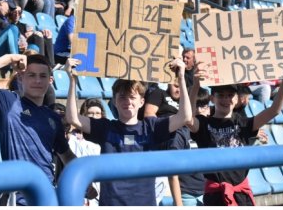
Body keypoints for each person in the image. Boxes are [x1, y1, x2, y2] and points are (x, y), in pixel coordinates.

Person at [65, 56, 192, 206]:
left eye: (132, 97)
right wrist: (72, 81)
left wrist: (182, 78)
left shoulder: (151, 127)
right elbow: (73, 118)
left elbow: (185, 116)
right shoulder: (106, 128)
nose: (128, 102)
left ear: (142, 102)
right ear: (114, 101)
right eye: (122, 97)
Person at [0, 53, 75, 204]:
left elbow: (66, 155)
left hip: (47, 195)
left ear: (50, 80)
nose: (37, 80)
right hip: (16, 197)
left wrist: (84, 180)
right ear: (21, 78)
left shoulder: (53, 118)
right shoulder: (8, 102)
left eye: (42, 76)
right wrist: (8, 58)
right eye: (31, 75)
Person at [187, 72, 283, 206]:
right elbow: (187, 118)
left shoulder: (244, 123)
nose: (226, 100)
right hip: (215, 196)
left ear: (237, 98)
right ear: (212, 98)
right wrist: (195, 86)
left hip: (241, 196)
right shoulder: (203, 124)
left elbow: (274, 110)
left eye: (230, 95)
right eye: (221, 95)